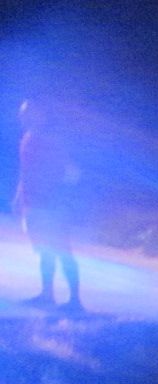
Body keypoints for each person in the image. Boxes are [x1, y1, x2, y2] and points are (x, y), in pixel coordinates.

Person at [13, 99, 83, 313]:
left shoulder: (50, 139)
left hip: (52, 205)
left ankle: (74, 301)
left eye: (28, 112)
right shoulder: (28, 138)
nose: (23, 116)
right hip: (35, 204)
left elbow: (68, 172)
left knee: (62, 250)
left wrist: (56, 198)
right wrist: (20, 196)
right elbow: (26, 171)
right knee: (45, 251)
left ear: (40, 114)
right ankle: (47, 295)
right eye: (22, 113)